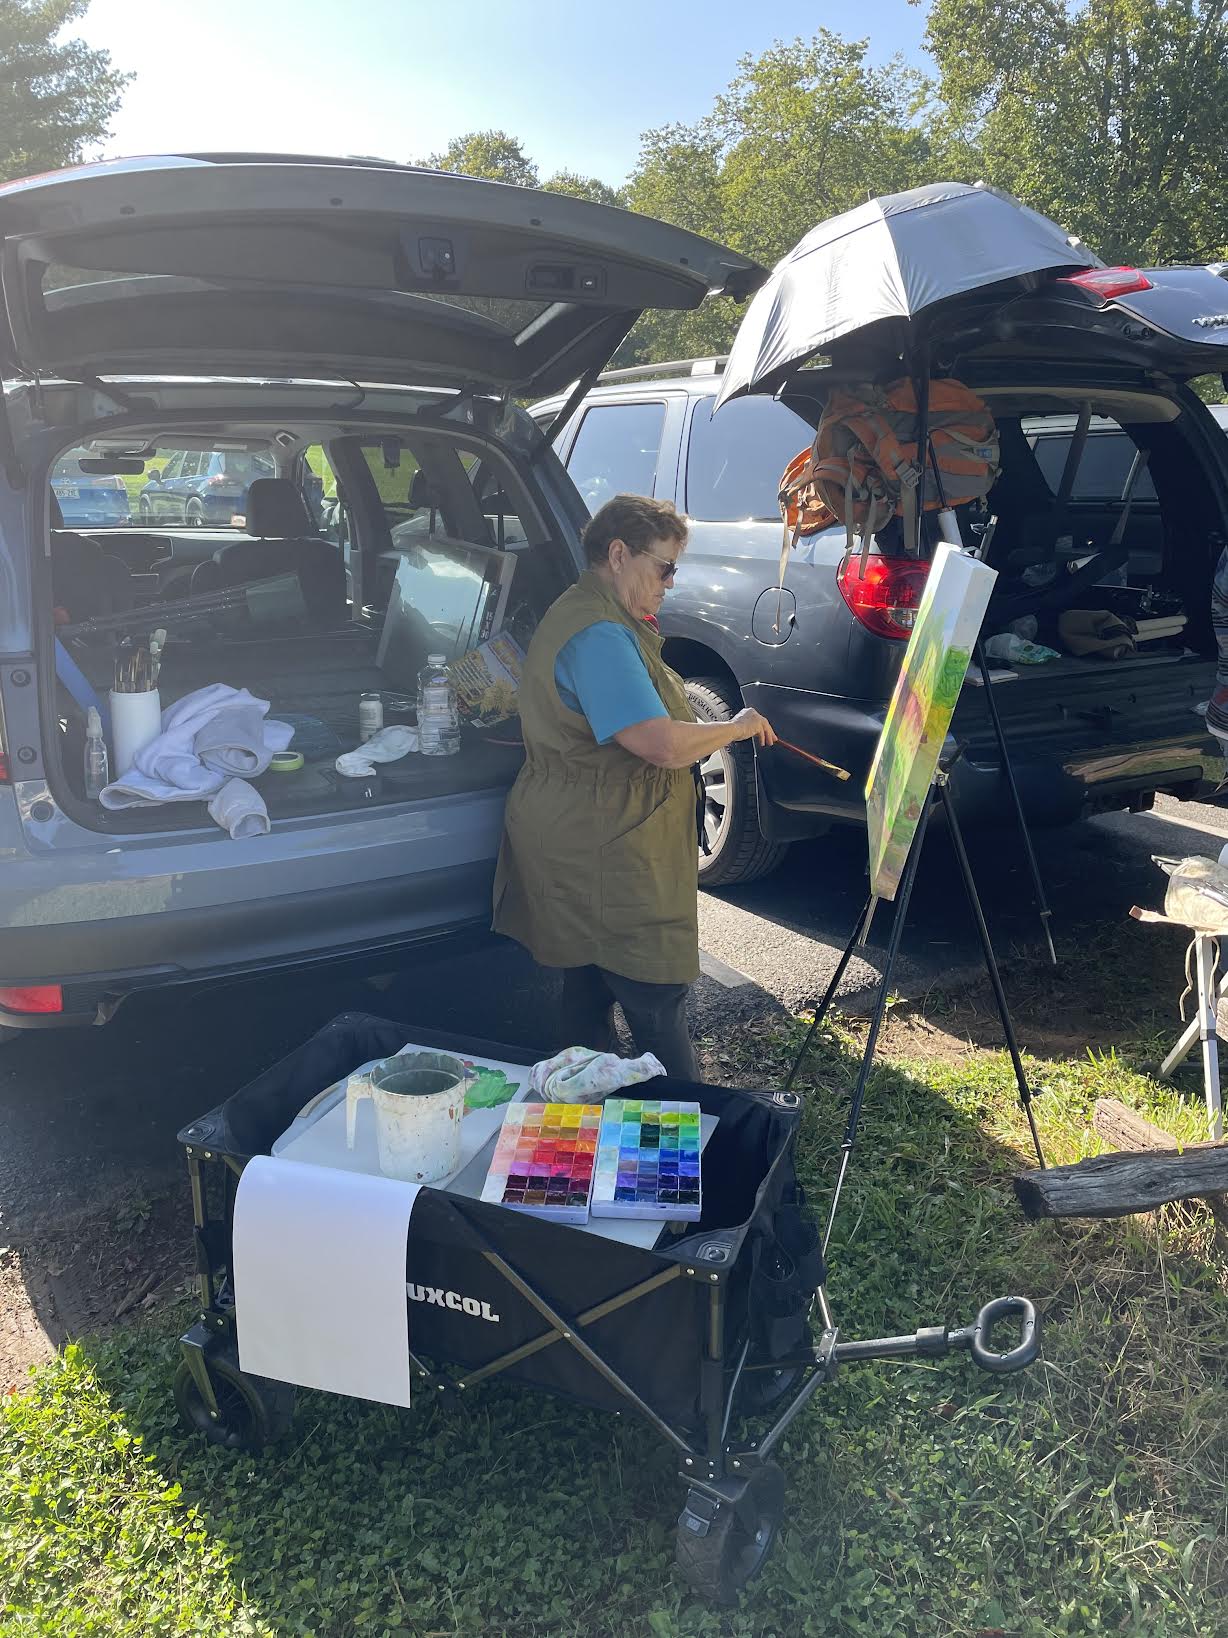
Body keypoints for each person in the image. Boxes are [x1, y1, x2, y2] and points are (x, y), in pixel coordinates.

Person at [493, 494, 776, 1079]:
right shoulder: (598, 634)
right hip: (604, 847)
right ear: (619, 554)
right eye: (665, 567)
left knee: (589, 991)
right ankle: (686, 1146)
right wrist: (735, 726)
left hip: (592, 832)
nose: (671, 583)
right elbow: (661, 745)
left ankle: (586, 1127)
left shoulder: (597, 614)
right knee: (657, 1001)